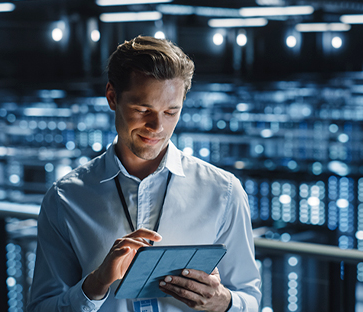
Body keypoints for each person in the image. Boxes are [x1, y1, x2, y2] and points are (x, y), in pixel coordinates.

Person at [27, 35, 261, 312]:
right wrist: (95, 285)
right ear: (112, 97)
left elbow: (249, 298)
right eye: (142, 110)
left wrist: (224, 302)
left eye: (171, 112)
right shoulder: (65, 198)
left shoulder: (224, 191)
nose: (157, 126)